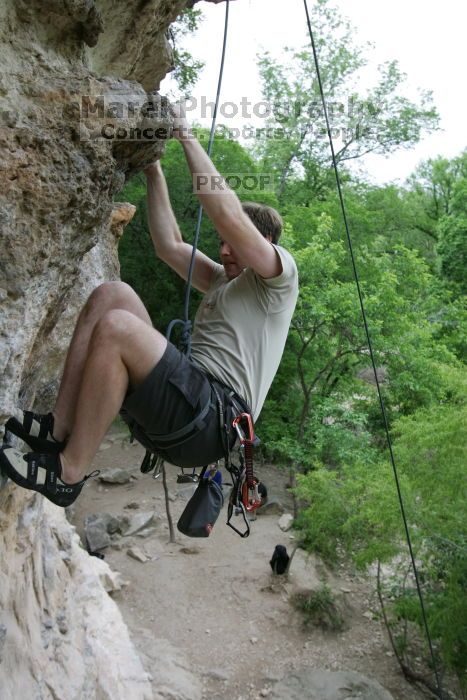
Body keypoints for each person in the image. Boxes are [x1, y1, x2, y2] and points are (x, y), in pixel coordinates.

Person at [0, 108, 298, 507]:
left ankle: (68, 473)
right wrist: (153, 167)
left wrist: (185, 136)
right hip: (191, 400)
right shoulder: (222, 281)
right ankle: (57, 428)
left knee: (119, 328)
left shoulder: (277, 279)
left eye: (233, 242)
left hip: (214, 421)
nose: (223, 248)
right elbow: (169, 246)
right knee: (112, 294)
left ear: (263, 241)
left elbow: (225, 214)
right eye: (221, 243)